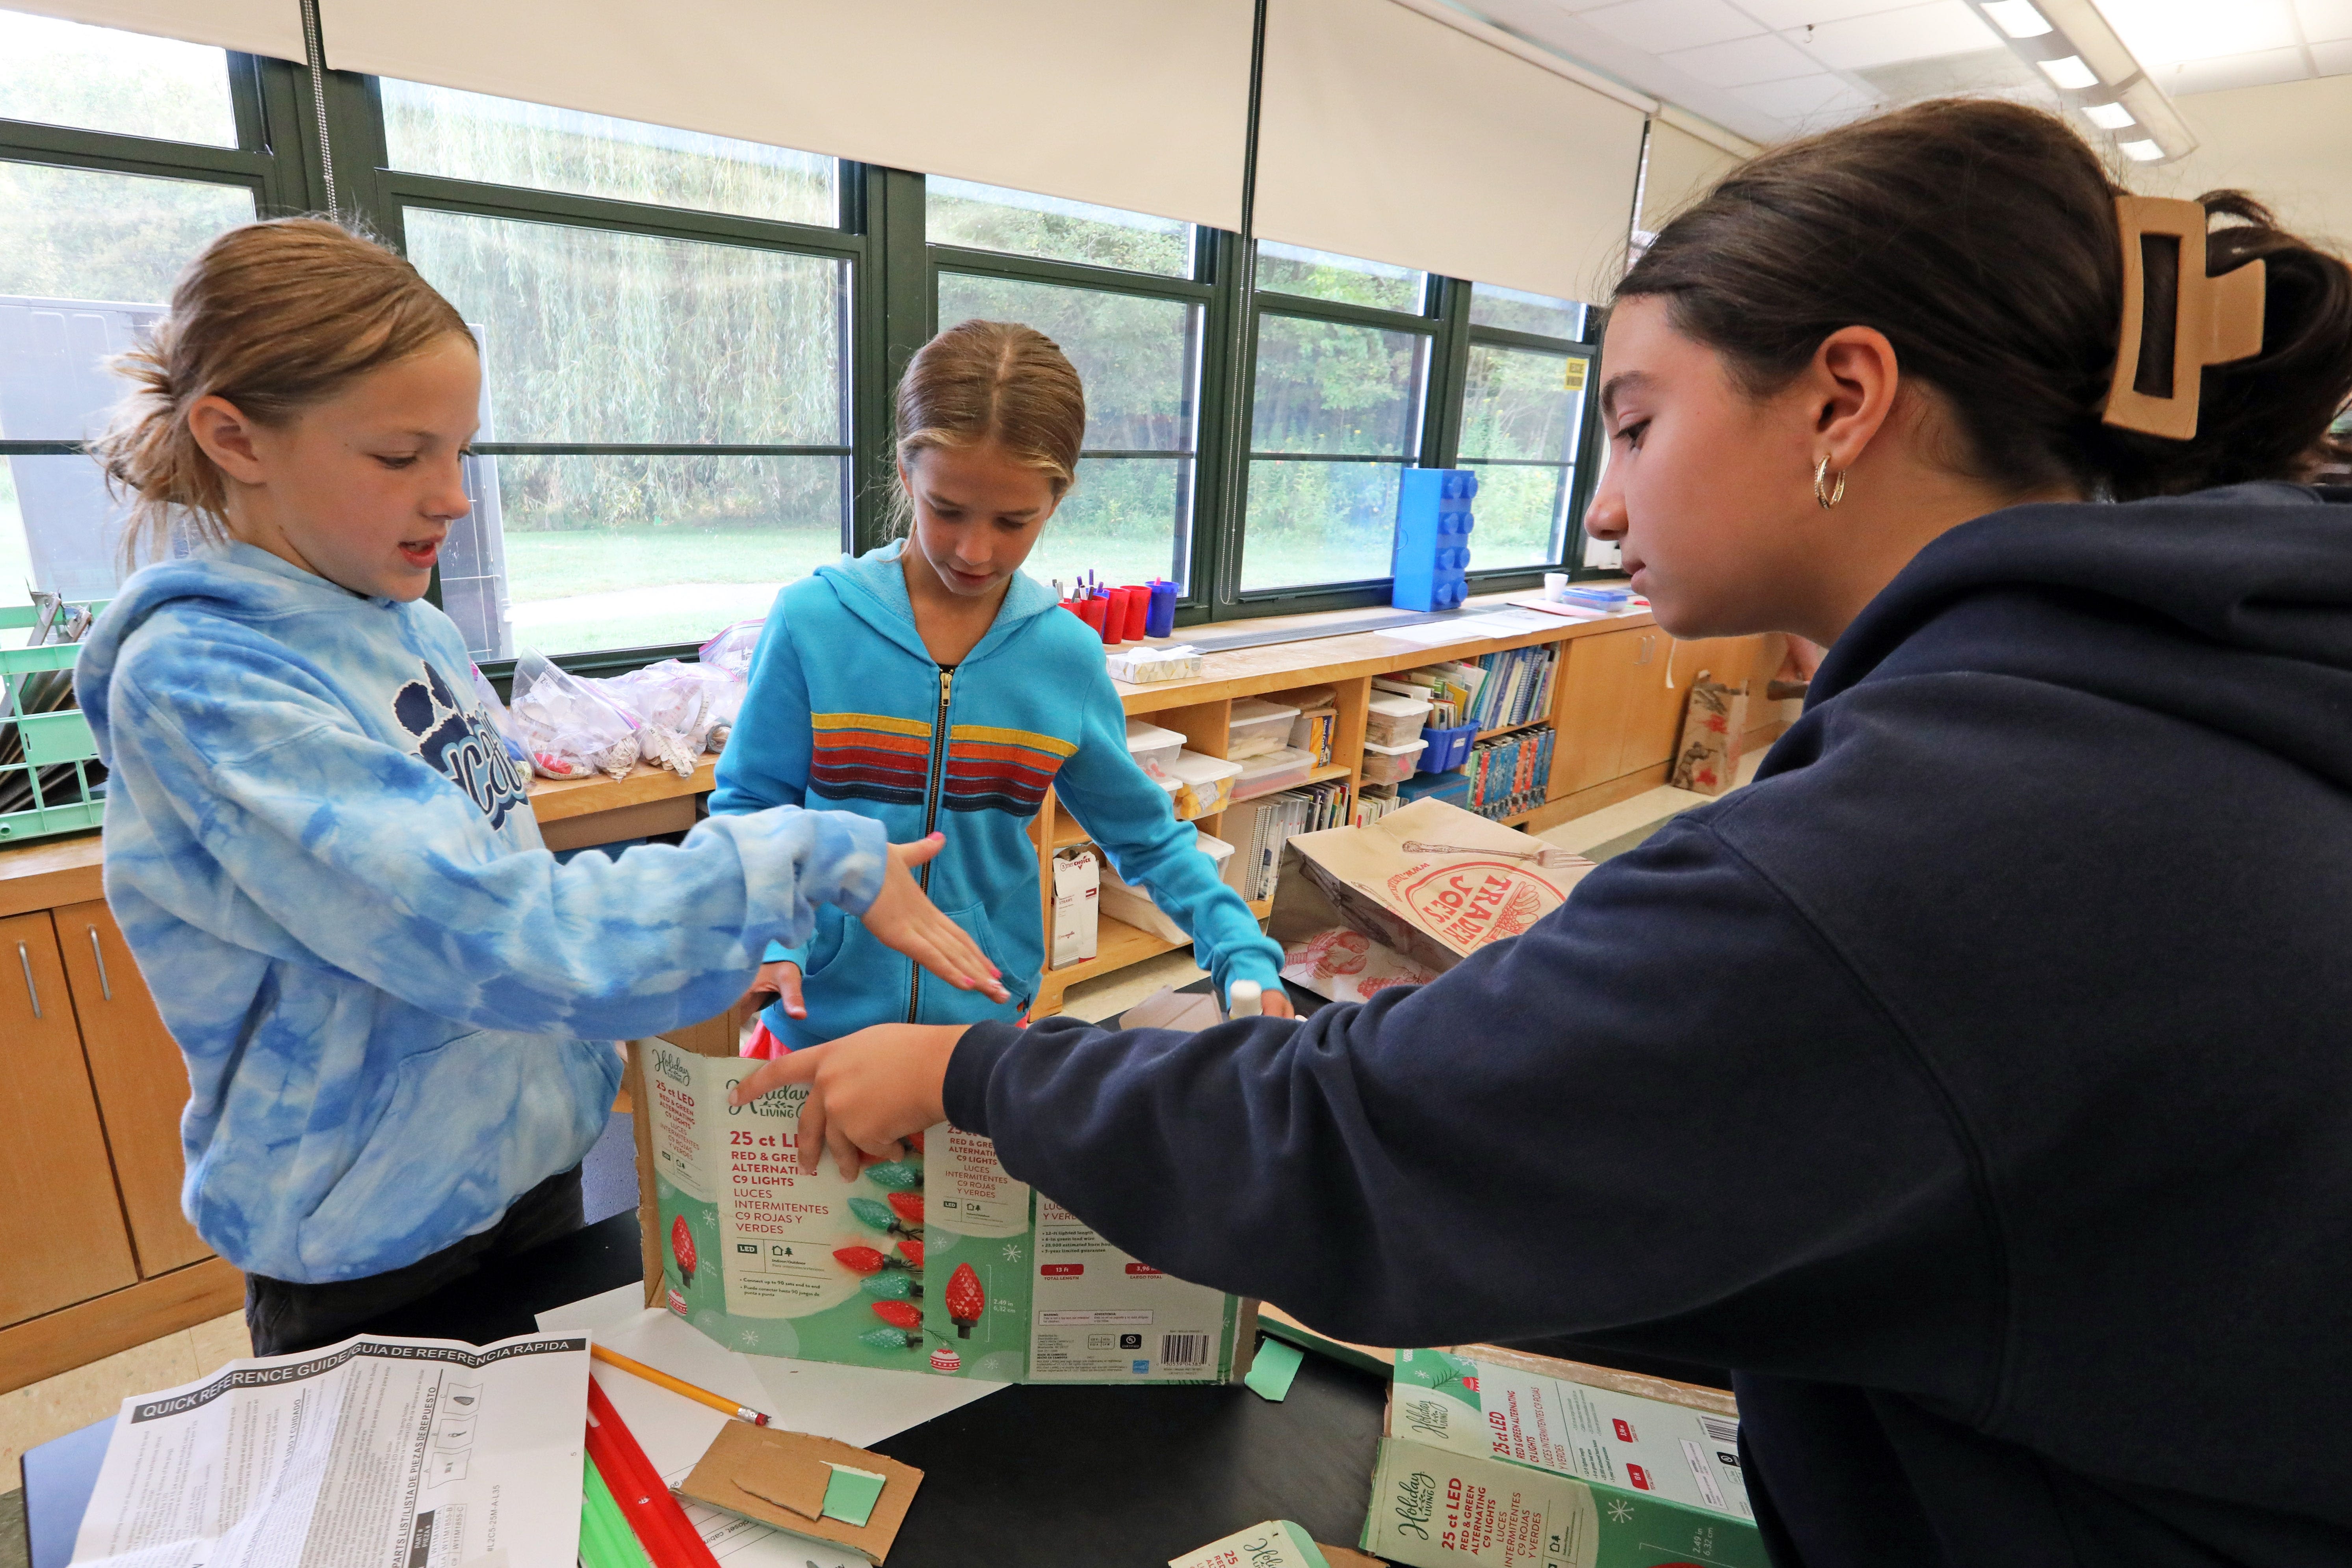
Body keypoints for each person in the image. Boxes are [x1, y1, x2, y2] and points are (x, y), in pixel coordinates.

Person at [730, 100, 2352, 1566]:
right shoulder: (2185, 702)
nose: (1597, 503)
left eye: (1636, 424)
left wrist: (996, 1067)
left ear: (1843, 400)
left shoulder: (1948, 830)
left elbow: (1363, 1135)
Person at [74, 217, 1003, 1355]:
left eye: (458, 452)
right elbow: (491, 931)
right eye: (400, 456)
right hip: (367, 1234)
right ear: (234, 436)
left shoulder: (407, 623)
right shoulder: (206, 680)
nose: (452, 497)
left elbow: (495, 854)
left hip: (526, 1165)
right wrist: (799, 855)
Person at [708, 318, 1290, 1052]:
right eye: (945, 510)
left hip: (980, 1033)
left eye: (1014, 521)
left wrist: (1239, 947)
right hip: (814, 1021)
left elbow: (1145, 835)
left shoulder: (1064, 657)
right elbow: (751, 806)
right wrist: (771, 934)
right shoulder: (813, 622)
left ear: (1057, 499)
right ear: (904, 473)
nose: (974, 551)